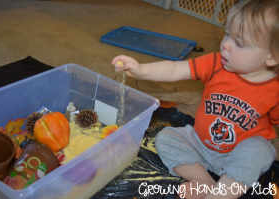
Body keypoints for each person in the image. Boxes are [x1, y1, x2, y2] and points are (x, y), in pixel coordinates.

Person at [112, 0, 279, 198]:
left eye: (239, 43)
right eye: (227, 33)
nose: (225, 44)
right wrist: (142, 70)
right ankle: (202, 180)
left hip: (239, 155)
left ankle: (221, 193)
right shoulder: (215, 63)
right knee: (165, 137)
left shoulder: (274, 90)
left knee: (261, 149)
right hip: (200, 144)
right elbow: (175, 69)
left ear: (272, 57)